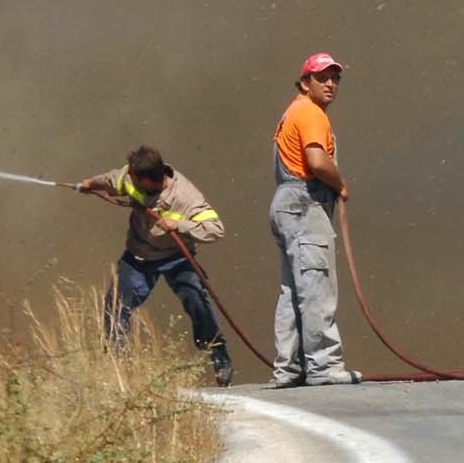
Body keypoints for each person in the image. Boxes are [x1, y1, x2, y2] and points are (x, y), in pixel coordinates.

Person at [75, 146, 233, 386]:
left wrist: (180, 225)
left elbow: (215, 229)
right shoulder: (132, 177)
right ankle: (120, 369)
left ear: (148, 180)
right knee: (115, 304)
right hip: (139, 257)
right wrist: (90, 184)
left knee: (196, 299)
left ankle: (218, 353)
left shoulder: (186, 197)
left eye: (135, 179)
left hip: (177, 256)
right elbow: (111, 179)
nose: (130, 181)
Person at [269, 52, 360, 387]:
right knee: (316, 285)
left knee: (292, 289)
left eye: (335, 78)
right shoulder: (310, 113)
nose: (331, 84)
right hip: (305, 203)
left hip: (285, 203)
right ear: (305, 82)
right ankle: (323, 366)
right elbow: (317, 161)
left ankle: (288, 369)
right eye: (323, 78)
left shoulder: (292, 111)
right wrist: (341, 185)